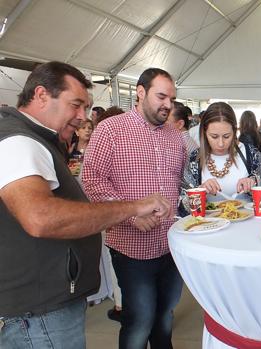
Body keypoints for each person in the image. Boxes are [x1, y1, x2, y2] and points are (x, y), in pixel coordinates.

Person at [0, 61, 172, 349]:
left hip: (47, 304)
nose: (82, 116)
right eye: (75, 105)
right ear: (41, 95)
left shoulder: (39, 140)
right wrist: (132, 208)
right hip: (40, 312)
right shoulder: (19, 141)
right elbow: (41, 217)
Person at [82, 68, 185, 349]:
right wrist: (131, 214)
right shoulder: (111, 129)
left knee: (164, 319)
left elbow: (181, 186)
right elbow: (91, 180)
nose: (168, 104)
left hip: (171, 246)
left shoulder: (176, 138)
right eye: (161, 96)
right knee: (139, 322)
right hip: (132, 249)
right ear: (140, 92)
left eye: (172, 99)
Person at [183, 102, 261, 202]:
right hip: (206, 218)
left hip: (249, 217)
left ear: (234, 131)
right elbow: (182, 202)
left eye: (226, 136)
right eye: (214, 136)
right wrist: (200, 191)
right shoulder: (194, 159)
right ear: (204, 133)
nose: (221, 143)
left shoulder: (250, 153)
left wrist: (255, 182)